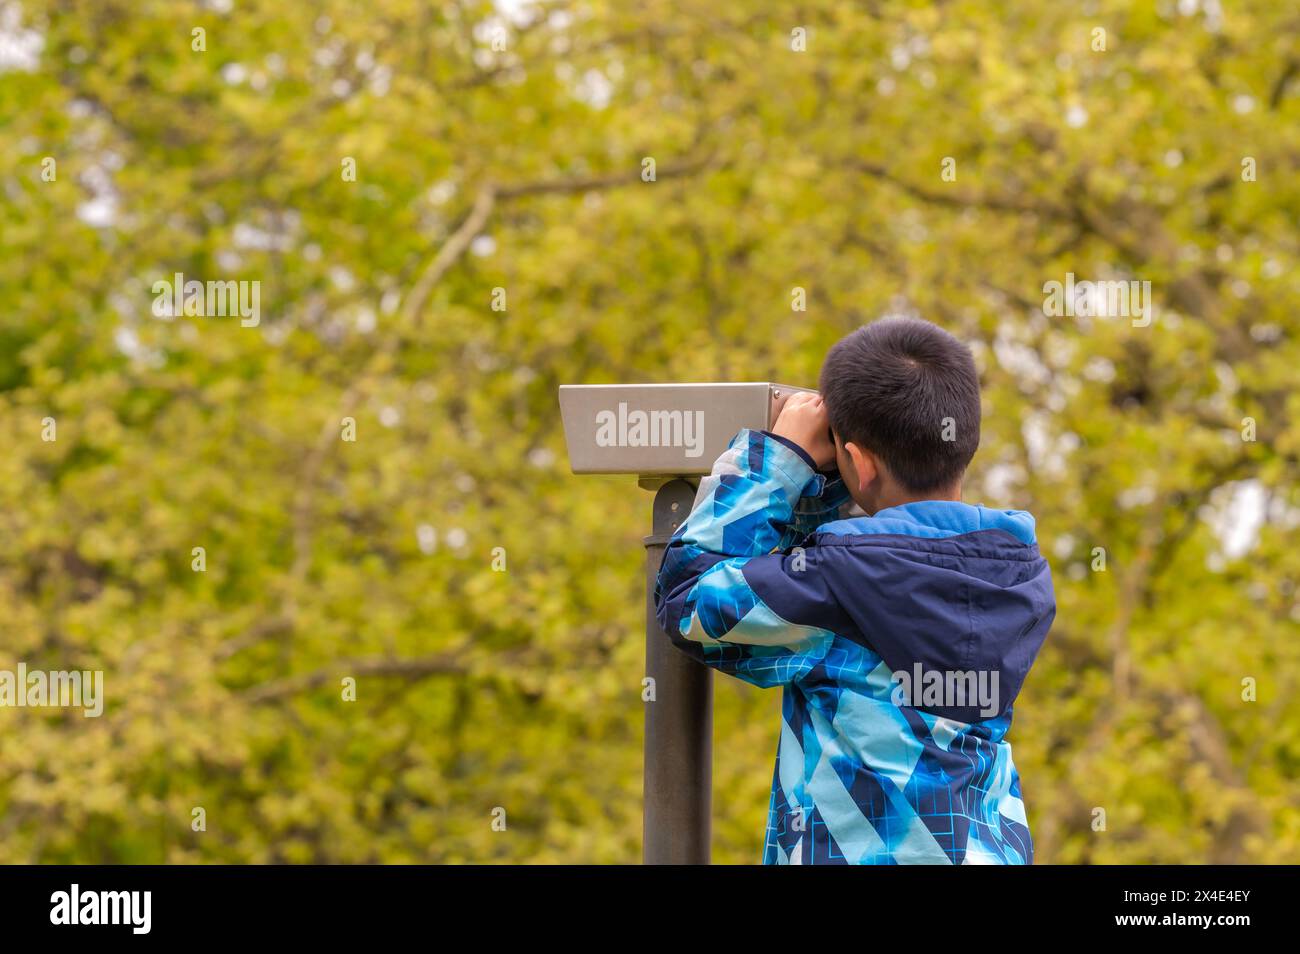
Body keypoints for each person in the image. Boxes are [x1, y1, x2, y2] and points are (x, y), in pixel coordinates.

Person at [654, 317, 1056, 864]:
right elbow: (895, 546)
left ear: (857, 464)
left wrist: (780, 465)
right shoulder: (1018, 571)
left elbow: (688, 595)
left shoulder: (835, 583)